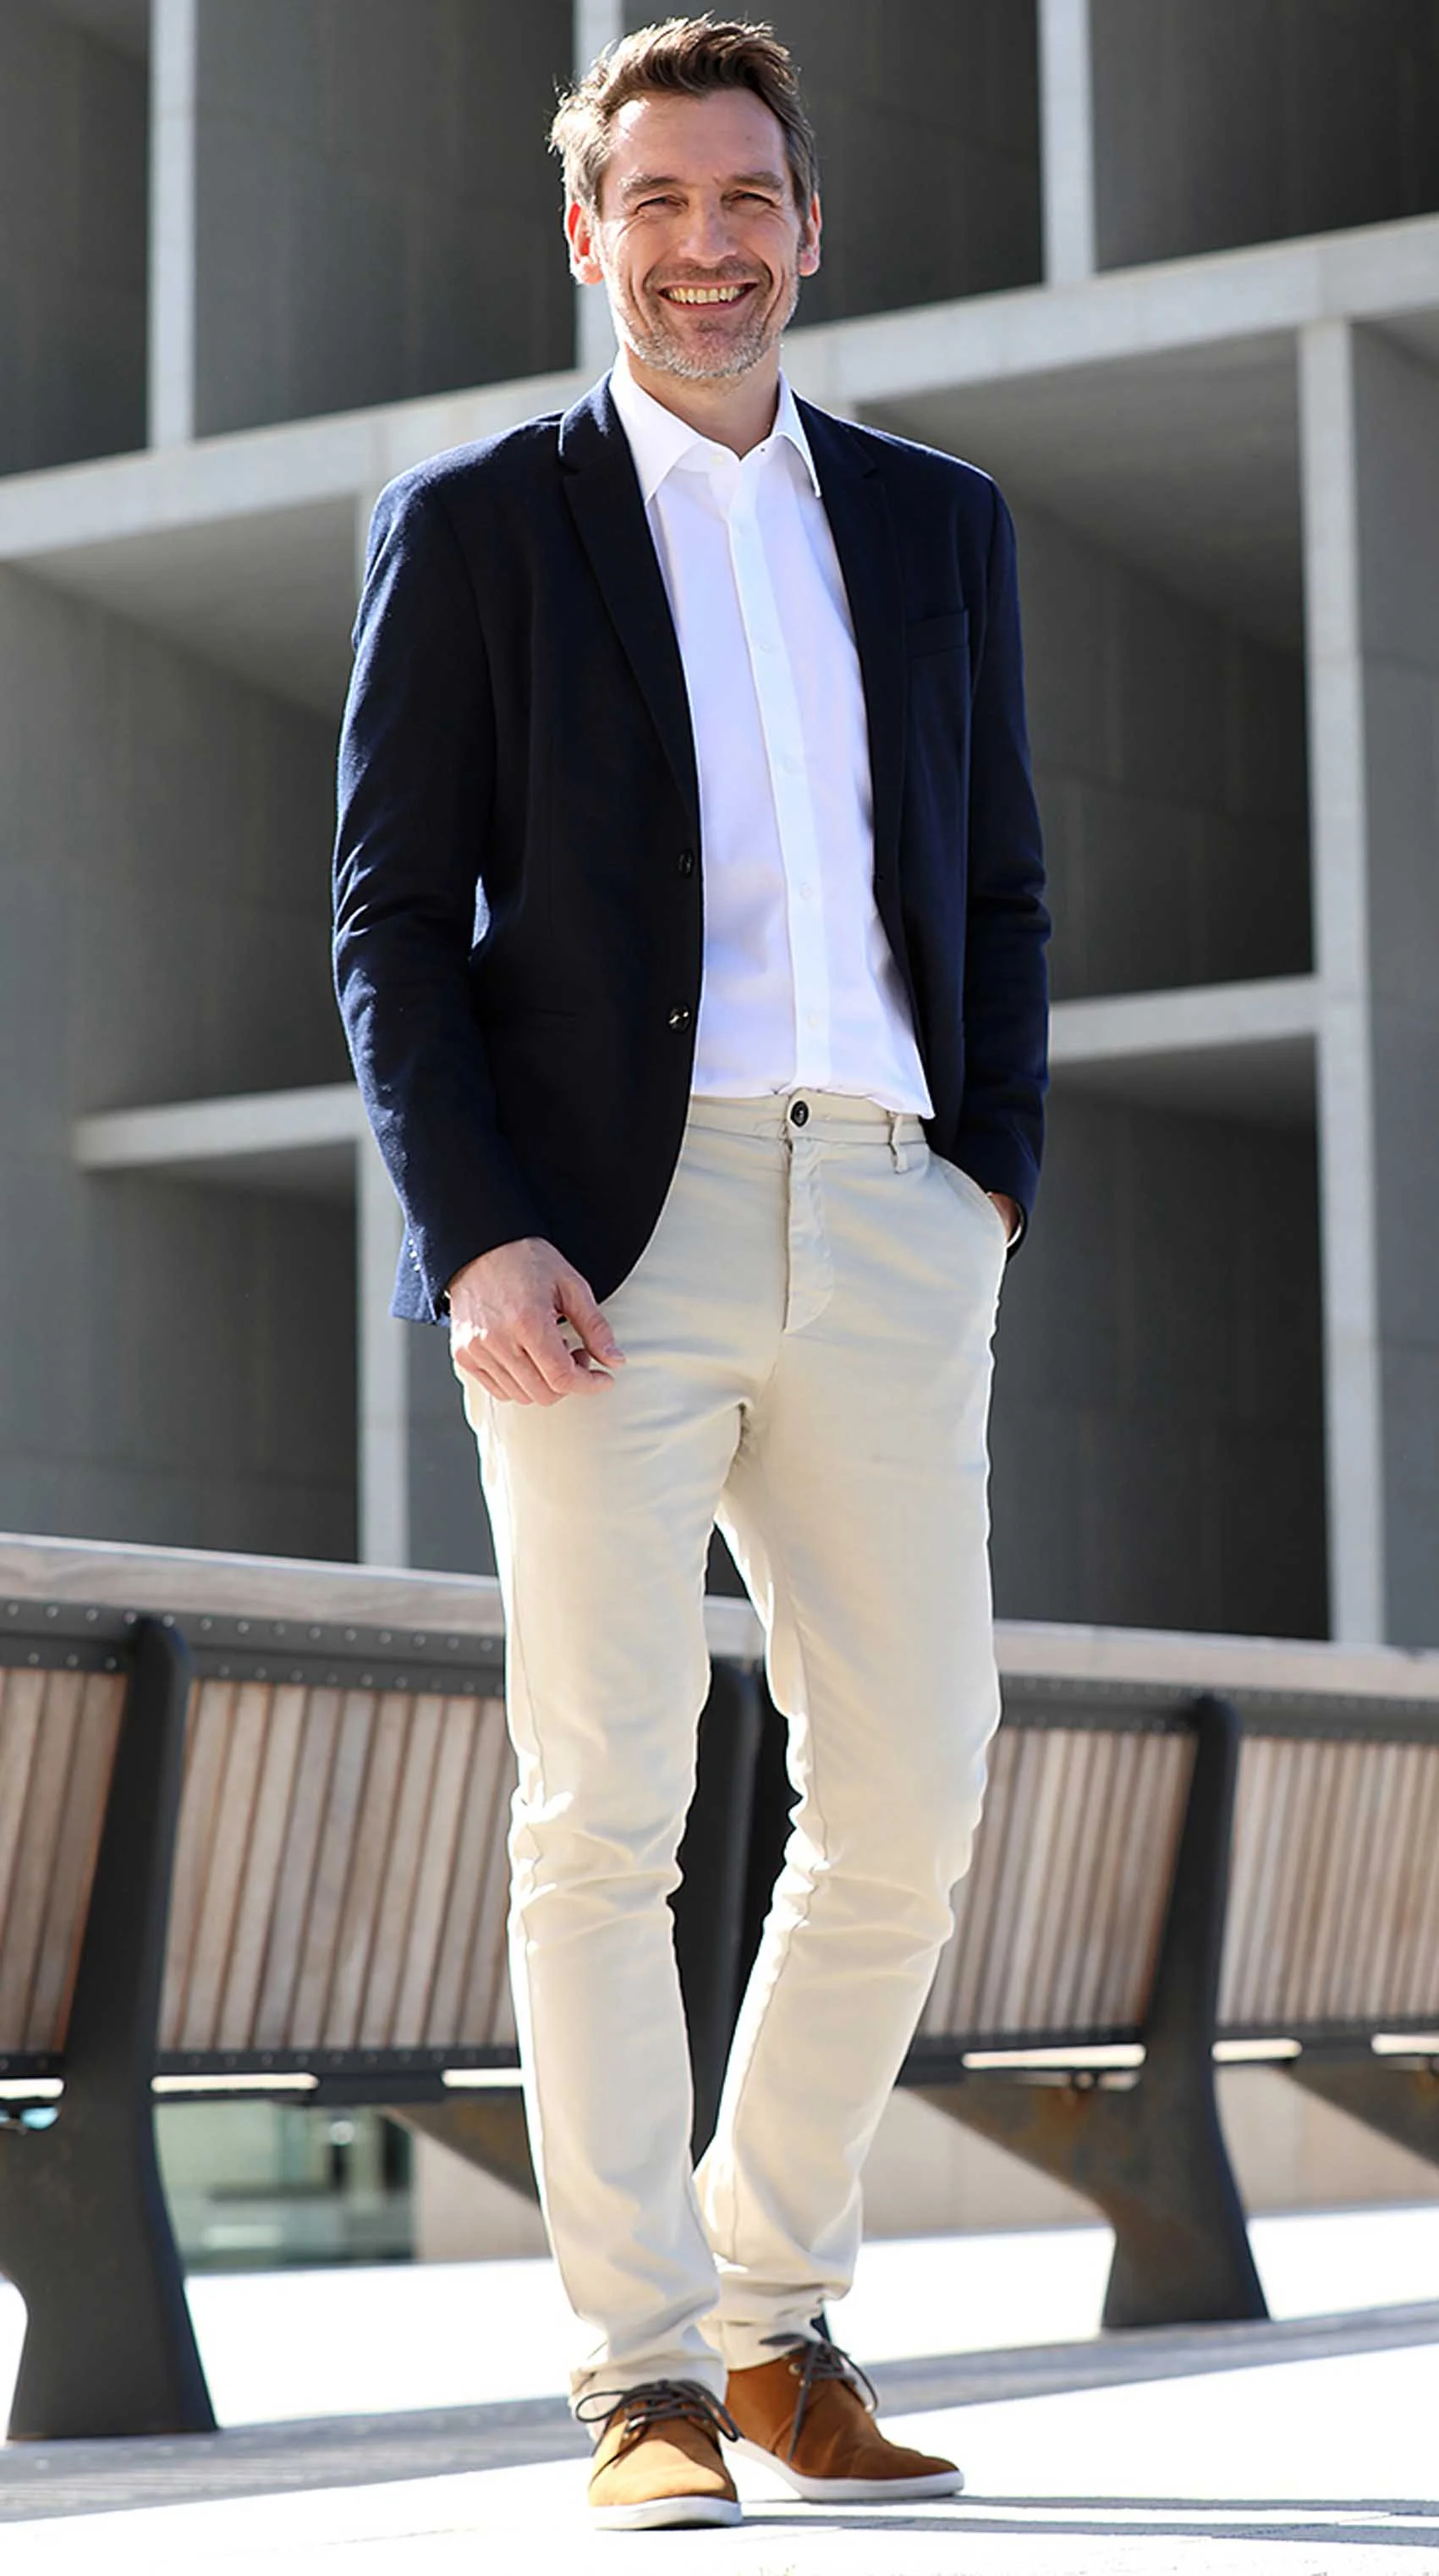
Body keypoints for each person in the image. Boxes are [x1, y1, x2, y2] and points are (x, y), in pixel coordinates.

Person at [334, 14, 1048, 2534]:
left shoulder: (937, 524)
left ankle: (772, 2308)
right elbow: (391, 919)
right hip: (593, 1251)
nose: (705, 244)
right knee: (603, 1813)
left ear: (809, 227)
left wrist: (985, 1178)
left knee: (913, 1790)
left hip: (889, 1205)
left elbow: (994, 881)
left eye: (745, 197)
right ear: (585, 235)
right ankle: (637, 2368)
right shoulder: (475, 522)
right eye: (654, 201)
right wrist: (472, 1230)